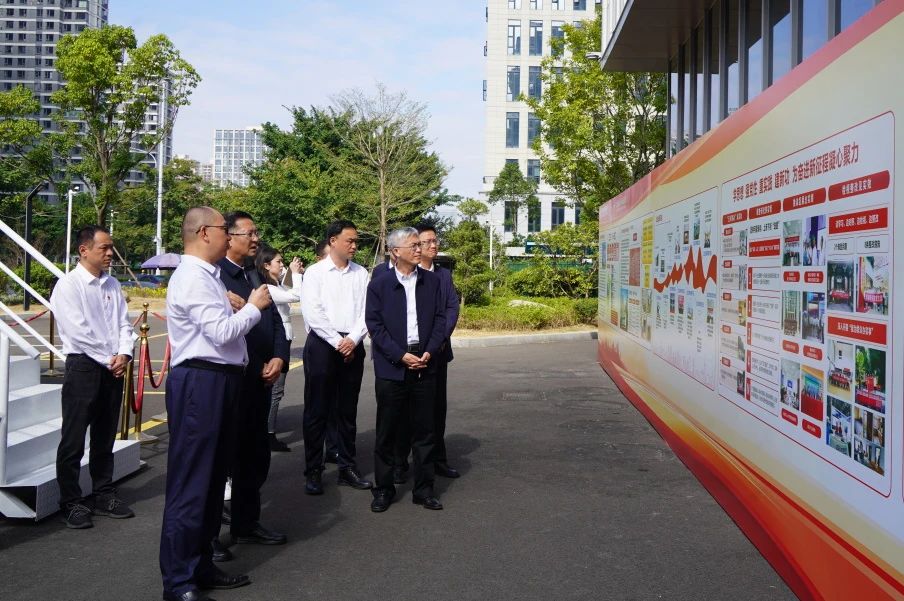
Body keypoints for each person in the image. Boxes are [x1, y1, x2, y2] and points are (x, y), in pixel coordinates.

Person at [160, 206, 271, 601]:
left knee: (210, 482)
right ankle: (178, 581)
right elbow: (222, 333)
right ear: (205, 232)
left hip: (219, 380)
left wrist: (237, 305)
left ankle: (200, 565)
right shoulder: (192, 277)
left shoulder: (207, 276)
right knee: (192, 483)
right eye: (225, 229)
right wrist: (254, 307)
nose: (230, 236)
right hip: (201, 382)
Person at [50, 225, 136, 529]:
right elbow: (78, 332)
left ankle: (103, 493)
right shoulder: (68, 286)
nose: (110, 253)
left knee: (104, 436)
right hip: (84, 367)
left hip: (112, 366)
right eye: (104, 248)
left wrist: (124, 353)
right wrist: (110, 359)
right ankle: (71, 501)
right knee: (73, 439)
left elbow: (124, 324)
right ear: (84, 250)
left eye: (111, 247)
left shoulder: (112, 284)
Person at [217, 211, 289, 548]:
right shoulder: (216, 276)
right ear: (229, 236)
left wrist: (279, 357)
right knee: (222, 460)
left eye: (257, 232)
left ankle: (246, 523)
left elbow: (273, 321)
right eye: (250, 233)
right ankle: (209, 537)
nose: (256, 239)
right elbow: (224, 332)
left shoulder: (254, 272)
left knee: (254, 456)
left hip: (260, 380)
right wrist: (259, 362)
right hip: (231, 381)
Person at [366, 227, 447, 513]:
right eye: (413, 245)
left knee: (425, 432)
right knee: (387, 432)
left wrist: (430, 350)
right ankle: (384, 489)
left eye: (418, 245)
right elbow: (374, 325)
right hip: (392, 367)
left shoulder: (432, 281)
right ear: (395, 251)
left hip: (425, 362)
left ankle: (424, 490)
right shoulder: (380, 283)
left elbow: (440, 319)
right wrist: (400, 355)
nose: (418, 249)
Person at [300, 220, 372, 494]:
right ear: (333, 241)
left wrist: (352, 339)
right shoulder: (315, 273)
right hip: (322, 344)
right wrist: (337, 341)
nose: (354, 246)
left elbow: (367, 311)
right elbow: (313, 312)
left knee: (347, 411)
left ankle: (347, 467)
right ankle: (313, 469)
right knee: (317, 410)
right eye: (349, 241)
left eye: (356, 241)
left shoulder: (361, 273)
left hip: (352, 344)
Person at [394, 223, 461, 482]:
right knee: (402, 411)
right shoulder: (398, 275)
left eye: (435, 240)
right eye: (427, 241)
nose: (434, 245)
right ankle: (400, 462)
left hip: (436, 353)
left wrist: (437, 342)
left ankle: (436, 460)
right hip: (406, 355)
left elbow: (451, 309)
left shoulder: (443, 275)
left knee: (436, 409)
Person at [255, 245, 304, 452]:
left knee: (276, 390)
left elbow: (288, 288)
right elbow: (295, 295)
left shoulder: (275, 285)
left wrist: (292, 273)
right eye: (279, 262)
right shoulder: (268, 288)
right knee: (275, 390)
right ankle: (268, 433)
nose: (282, 265)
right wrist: (295, 274)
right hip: (277, 341)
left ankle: (268, 430)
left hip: (284, 339)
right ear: (266, 265)